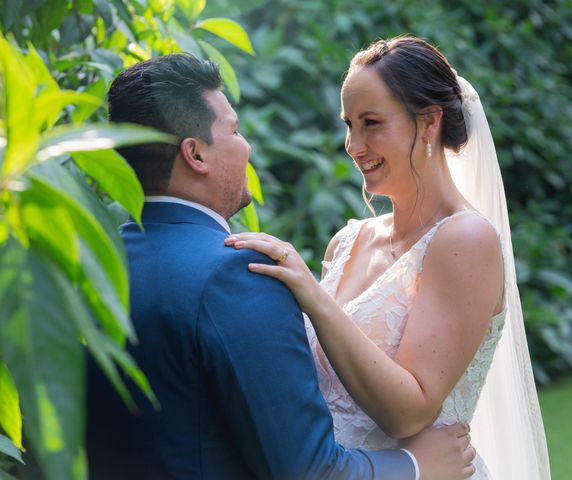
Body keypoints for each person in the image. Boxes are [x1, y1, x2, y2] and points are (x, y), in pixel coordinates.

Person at [85, 52, 476, 480]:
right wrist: (418, 466)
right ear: (195, 154)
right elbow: (307, 469)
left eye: (371, 123)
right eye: (234, 130)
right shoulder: (237, 275)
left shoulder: (95, 265)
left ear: (430, 122)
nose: (247, 145)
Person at [225, 36, 551, 479]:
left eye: (371, 123)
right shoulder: (347, 242)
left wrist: (310, 295)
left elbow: (409, 412)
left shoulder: (465, 240)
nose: (354, 144)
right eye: (348, 124)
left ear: (429, 121)